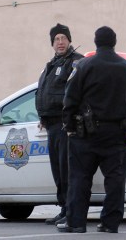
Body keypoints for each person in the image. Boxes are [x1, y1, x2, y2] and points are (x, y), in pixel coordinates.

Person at [59, 26, 126, 234]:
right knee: (115, 180)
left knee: (80, 178)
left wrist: (69, 126)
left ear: (96, 42)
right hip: (117, 134)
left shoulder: (84, 66)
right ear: (114, 42)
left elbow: (70, 99)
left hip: (85, 135)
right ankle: (110, 223)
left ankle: (76, 222)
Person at [35, 23, 83, 226]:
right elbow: (43, 93)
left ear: (69, 40)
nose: (60, 42)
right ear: (52, 43)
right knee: (58, 170)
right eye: (56, 39)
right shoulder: (51, 65)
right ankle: (64, 208)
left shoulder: (76, 62)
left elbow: (77, 94)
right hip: (52, 126)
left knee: (67, 171)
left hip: (66, 126)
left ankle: (71, 211)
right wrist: (43, 118)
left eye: (63, 38)